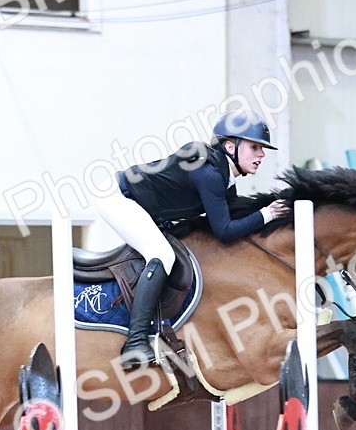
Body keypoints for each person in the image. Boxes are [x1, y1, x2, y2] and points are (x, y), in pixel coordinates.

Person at [96, 109, 291, 370]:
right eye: (254, 147)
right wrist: (267, 214)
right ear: (230, 146)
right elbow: (225, 231)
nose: (262, 155)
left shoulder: (223, 177)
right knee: (162, 255)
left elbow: (233, 218)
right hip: (117, 197)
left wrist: (270, 211)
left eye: (262, 149)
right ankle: (135, 342)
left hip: (139, 203)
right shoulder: (209, 174)